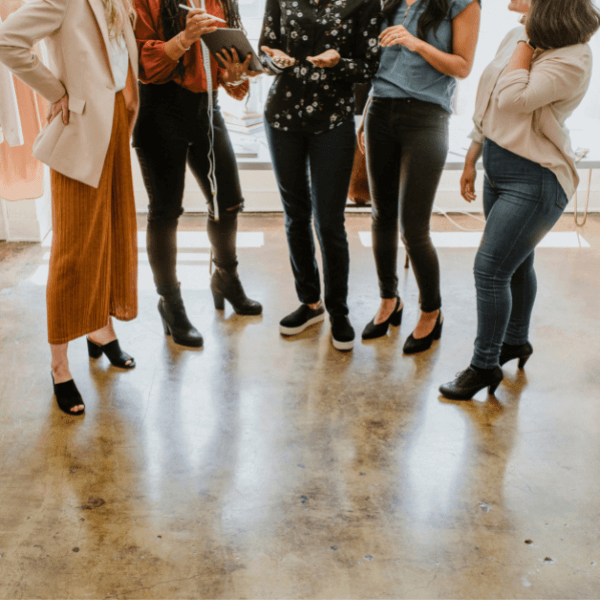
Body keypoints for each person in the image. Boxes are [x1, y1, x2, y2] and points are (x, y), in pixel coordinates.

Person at [440, 0, 600, 400]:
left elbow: (515, 99)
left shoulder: (572, 57)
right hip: (498, 166)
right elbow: (490, 98)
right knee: (516, 263)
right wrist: (473, 156)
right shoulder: (518, 36)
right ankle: (515, 342)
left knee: (490, 270)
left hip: (536, 178)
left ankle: (484, 366)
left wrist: (528, 39)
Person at [0, 0, 141, 416]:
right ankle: (59, 366)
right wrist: (55, 90)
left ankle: (99, 328)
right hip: (78, 124)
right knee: (74, 251)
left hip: (116, 118)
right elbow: (7, 39)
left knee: (110, 233)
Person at [133, 0, 262, 350]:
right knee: (165, 212)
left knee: (229, 201)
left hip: (207, 109)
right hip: (159, 110)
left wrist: (234, 75)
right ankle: (170, 303)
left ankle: (225, 278)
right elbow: (145, 64)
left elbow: (223, 73)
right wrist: (185, 37)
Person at [358, 0, 481, 352]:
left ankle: (431, 311)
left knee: (413, 226)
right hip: (380, 109)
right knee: (381, 215)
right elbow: (378, 63)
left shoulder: (462, 3)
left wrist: (417, 43)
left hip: (427, 117)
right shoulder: (390, 2)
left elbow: (463, 66)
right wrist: (366, 115)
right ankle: (388, 301)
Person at [259, 0, 381, 352]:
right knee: (296, 214)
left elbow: (369, 65)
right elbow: (264, 52)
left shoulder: (363, 2)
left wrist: (339, 62)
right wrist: (274, 60)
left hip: (333, 119)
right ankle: (310, 303)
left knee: (329, 221)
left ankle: (338, 310)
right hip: (282, 116)